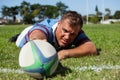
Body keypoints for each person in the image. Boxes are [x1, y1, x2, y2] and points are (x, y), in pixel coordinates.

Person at [16, 11, 97, 60]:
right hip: (28, 31)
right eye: (64, 30)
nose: (67, 37)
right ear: (58, 24)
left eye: (72, 34)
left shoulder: (75, 30)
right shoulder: (46, 28)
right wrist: (41, 42)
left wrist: (65, 53)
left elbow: (91, 48)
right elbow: (37, 33)